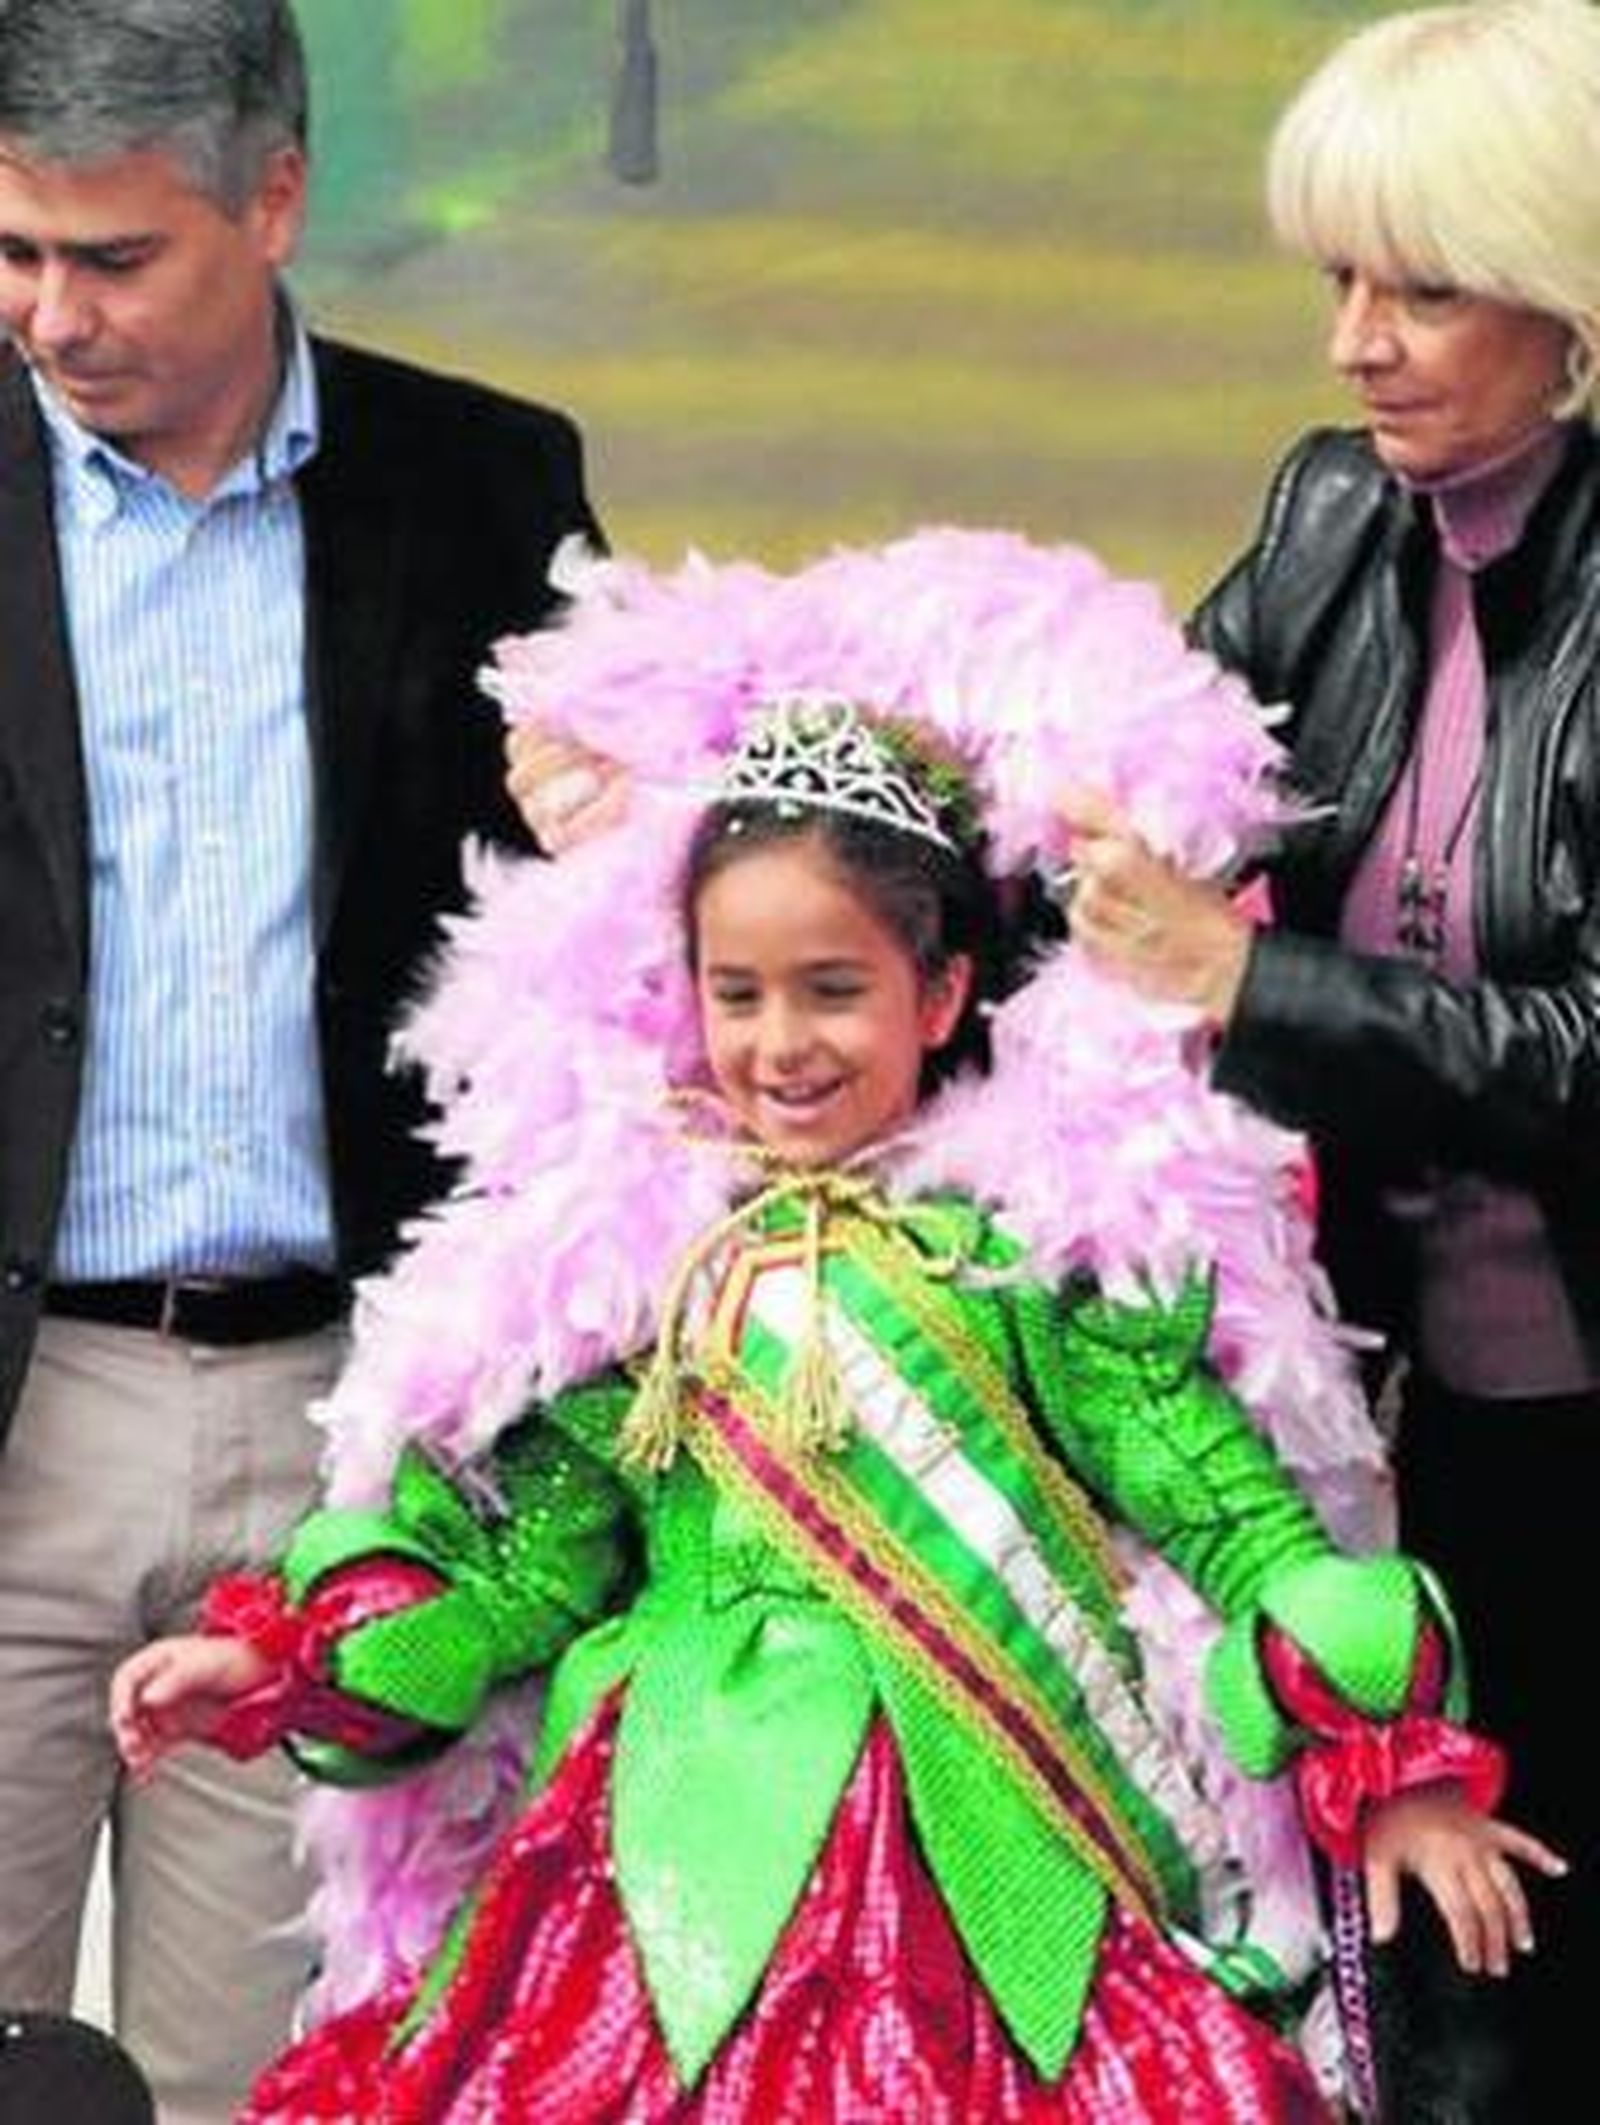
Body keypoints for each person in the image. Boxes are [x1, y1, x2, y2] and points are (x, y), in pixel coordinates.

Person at [109, 531, 1561, 2123]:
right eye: (739, 994)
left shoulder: (1042, 1260)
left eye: (832, 990)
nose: (780, 1043)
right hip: (658, 1882)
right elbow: (519, 1566)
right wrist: (284, 1653)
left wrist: (1399, 1775)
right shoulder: (650, 1272)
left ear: (942, 997)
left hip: (995, 1880)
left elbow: (1230, 1516)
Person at [0, 0, 599, 2116]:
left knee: (253, 2079)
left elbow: (607, 950)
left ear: (274, 197)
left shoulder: (489, 487)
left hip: (341, 1431)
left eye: (113, 258)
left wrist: (626, 836)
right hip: (21, 1414)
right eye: (15, 253)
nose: (52, 317)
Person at [1050, 3, 1600, 2116]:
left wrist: (1248, 985)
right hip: (1409, 1423)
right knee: (1434, 1996)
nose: (1356, 341)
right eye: (1337, 284)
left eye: (1422, 285)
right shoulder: (1324, 521)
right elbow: (1106, 778)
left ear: (1563, 289)